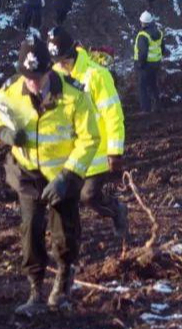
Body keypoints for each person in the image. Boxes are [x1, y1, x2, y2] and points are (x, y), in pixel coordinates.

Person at [0, 37, 99, 316]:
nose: (33, 84)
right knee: (31, 229)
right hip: (28, 172)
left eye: (37, 78)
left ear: (49, 70)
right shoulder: (13, 90)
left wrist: (68, 175)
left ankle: (63, 276)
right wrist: (5, 134)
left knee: (64, 231)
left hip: (63, 174)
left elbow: (90, 138)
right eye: (28, 78)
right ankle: (36, 287)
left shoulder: (73, 96)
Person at [47, 27, 129, 237]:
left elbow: (113, 115)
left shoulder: (96, 76)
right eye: (57, 62)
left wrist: (115, 152)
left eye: (65, 60)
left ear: (73, 53)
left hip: (97, 153)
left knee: (89, 196)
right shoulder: (56, 76)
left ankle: (117, 210)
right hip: (71, 153)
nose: (61, 65)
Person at [133, 11, 165, 113]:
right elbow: (162, 48)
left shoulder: (143, 35)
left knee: (142, 87)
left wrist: (140, 64)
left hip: (145, 65)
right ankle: (157, 106)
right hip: (156, 64)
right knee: (153, 85)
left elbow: (143, 52)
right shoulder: (159, 33)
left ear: (142, 22)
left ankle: (145, 109)